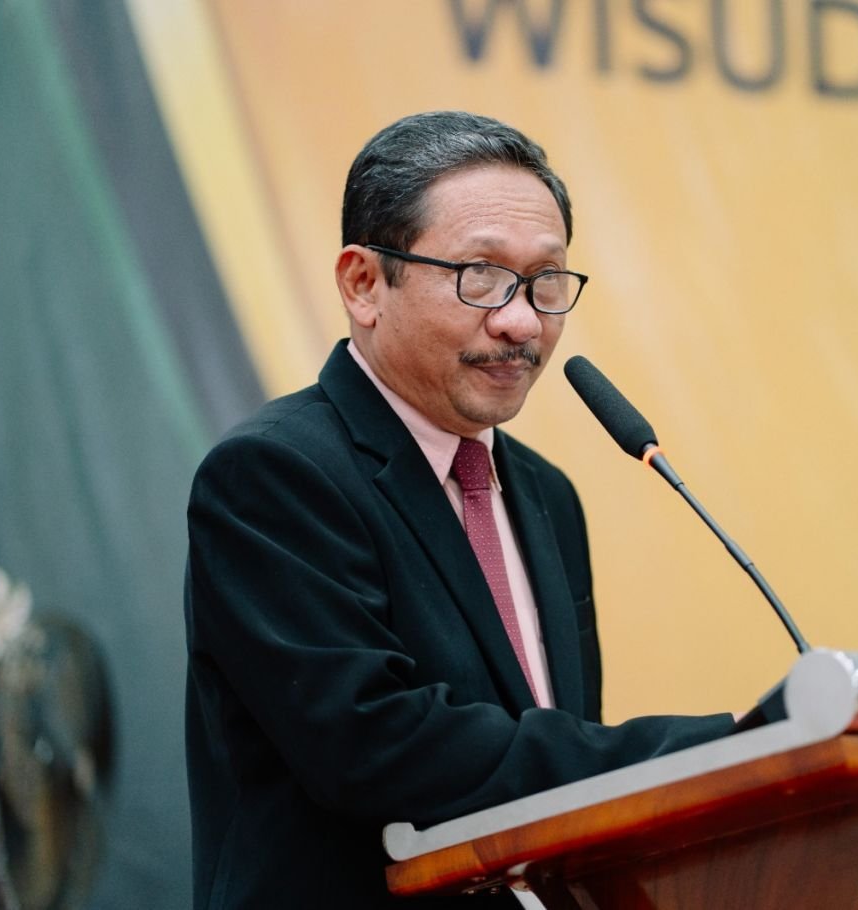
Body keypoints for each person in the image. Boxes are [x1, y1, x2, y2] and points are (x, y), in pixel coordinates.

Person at [183, 111, 735, 909]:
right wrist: (710, 752)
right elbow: (376, 747)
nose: (521, 321)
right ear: (364, 284)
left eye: (546, 281)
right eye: (480, 274)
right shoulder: (274, 476)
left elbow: (552, 781)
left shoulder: (546, 496)